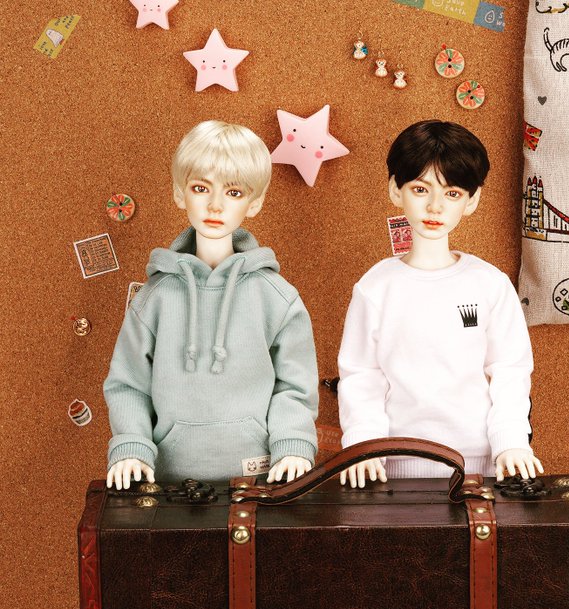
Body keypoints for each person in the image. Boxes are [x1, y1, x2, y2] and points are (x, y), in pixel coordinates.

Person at [104, 121, 319, 490]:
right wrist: (131, 446)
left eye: (233, 192)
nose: (215, 205)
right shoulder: (154, 298)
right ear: (179, 193)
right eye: (201, 188)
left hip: (258, 479)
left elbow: (295, 385)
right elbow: (128, 384)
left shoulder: (277, 296)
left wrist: (293, 443)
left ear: (254, 203)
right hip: (169, 485)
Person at [337, 120, 543, 487]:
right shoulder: (375, 288)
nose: (435, 206)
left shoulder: (490, 284)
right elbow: (361, 375)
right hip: (392, 467)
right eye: (420, 189)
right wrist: (363, 445)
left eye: (452, 193)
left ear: (472, 200)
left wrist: (511, 440)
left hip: (480, 468)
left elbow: (509, 370)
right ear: (395, 190)